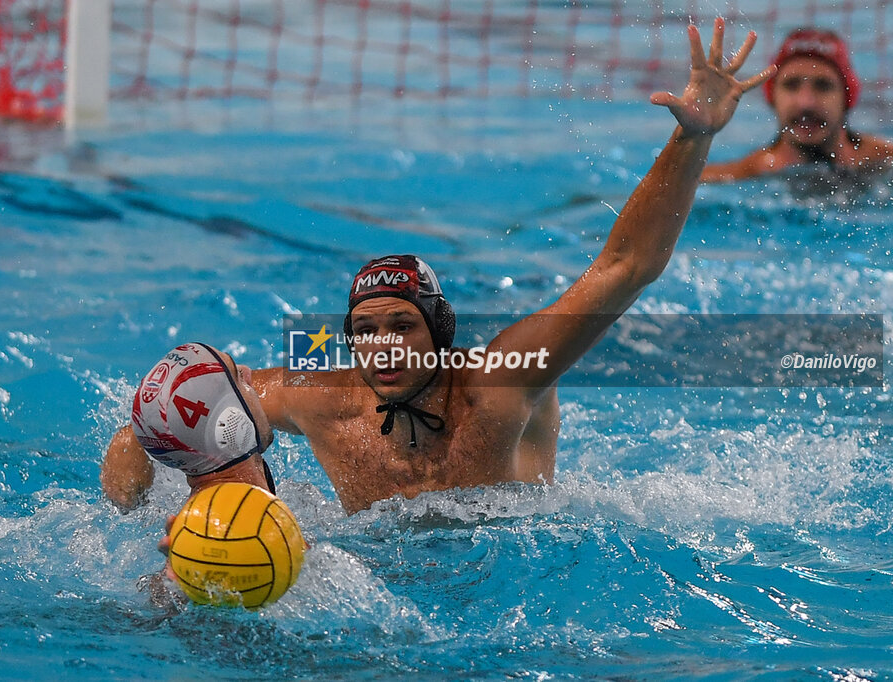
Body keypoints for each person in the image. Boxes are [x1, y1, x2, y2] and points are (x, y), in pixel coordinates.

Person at [104, 18, 774, 515]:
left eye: (402, 324)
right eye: (365, 330)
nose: (382, 343)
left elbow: (624, 268)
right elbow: (189, 407)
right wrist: (143, 435)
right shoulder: (325, 404)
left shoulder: (500, 385)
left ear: (441, 332)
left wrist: (693, 138)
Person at [701, 28, 893, 182]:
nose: (806, 103)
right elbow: (675, 187)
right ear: (772, 95)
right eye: (791, 85)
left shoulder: (884, 159)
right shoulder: (747, 175)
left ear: (847, 97)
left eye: (823, 86)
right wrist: (691, 135)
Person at [101, 342, 276, 510]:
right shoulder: (256, 531)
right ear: (230, 424)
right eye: (237, 376)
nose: (247, 372)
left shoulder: (195, 524)